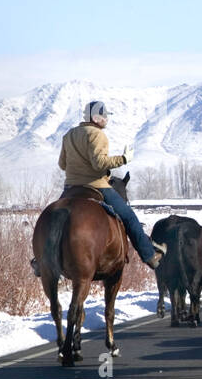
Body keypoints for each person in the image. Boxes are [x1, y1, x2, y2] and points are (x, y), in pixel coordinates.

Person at [59, 100, 164, 270]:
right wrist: (123, 159)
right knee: (129, 217)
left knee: (54, 218)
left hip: (70, 188)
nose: (106, 119)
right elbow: (99, 164)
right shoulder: (97, 134)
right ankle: (149, 255)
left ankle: (41, 261)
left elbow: (62, 165)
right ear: (95, 117)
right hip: (96, 186)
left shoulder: (68, 135)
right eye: (104, 116)